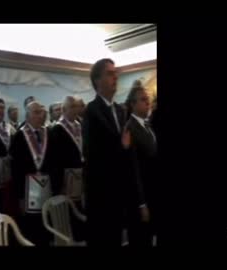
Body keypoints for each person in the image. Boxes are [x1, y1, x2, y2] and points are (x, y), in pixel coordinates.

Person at [82, 59, 145, 246]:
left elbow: (129, 152)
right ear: (97, 80)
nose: (115, 77)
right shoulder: (91, 111)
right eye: (110, 74)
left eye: (115, 73)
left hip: (121, 191)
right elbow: (93, 155)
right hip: (102, 194)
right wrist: (121, 148)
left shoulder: (120, 110)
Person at [10, 101, 56, 246]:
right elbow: (15, 170)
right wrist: (20, 197)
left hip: (47, 186)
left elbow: (55, 161)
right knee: (31, 227)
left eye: (41, 111)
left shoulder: (49, 133)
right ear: (28, 115)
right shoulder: (19, 136)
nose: (41, 115)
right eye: (36, 112)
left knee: (47, 222)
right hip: (28, 189)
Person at [124, 81, 158, 247]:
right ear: (133, 104)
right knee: (140, 239)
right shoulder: (130, 129)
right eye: (143, 99)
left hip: (152, 191)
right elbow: (133, 170)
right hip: (140, 198)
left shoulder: (147, 125)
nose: (148, 102)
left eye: (148, 99)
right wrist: (141, 203)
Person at [51, 96, 85, 241]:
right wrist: (60, 183)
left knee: (81, 206)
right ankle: (72, 239)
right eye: (72, 107)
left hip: (82, 173)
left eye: (76, 106)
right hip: (67, 177)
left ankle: (82, 236)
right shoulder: (57, 129)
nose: (75, 109)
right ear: (64, 110)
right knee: (70, 210)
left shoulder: (79, 125)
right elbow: (56, 160)